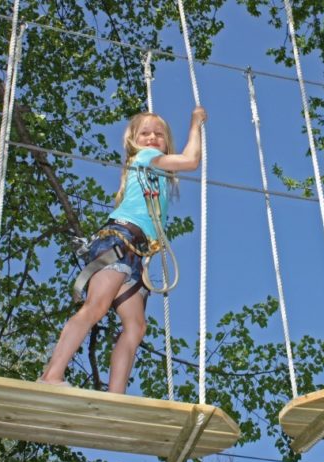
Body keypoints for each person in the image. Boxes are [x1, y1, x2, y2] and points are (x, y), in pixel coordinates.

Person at [39, 106, 207, 393]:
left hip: (135, 253)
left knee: (136, 327)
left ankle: (115, 395)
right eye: (145, 133)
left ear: (165, 141)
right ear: (133, 141)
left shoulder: (157, 174)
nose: (152, 138)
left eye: (159, 134)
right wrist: (196, 122)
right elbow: (191, 160)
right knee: (97, 306)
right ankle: (51, 375)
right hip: (118, 240)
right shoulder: (145, 158)